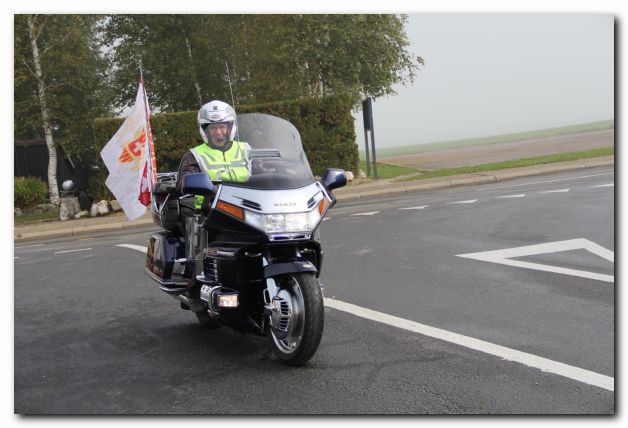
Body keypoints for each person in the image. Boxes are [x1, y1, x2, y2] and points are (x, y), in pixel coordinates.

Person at [176, 100, 251, 209]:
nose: (218, 132)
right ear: (205, 131)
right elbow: (184, 182)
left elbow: (263, 171)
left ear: (230, 128)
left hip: (247, 204)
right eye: (213, 128)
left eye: (222, 127)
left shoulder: (246, 149)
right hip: (209, 208)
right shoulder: (194, 155)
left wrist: (273, 168)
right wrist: (191, 183)